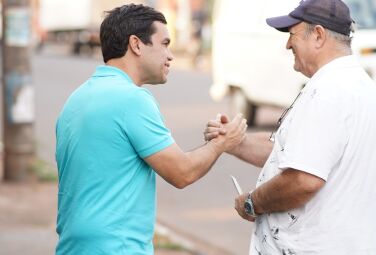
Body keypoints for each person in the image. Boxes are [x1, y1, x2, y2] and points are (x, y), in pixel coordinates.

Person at [205, 0, 376, 254]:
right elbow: (294, 152)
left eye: (291, 34)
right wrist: (234, 141)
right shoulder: (349, 82)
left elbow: (303, 179)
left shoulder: (331, 92)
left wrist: (252, 203)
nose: (287, 44)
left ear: (318, 35)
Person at [55, 4, 246, 255]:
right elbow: (182, 173)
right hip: (116, 248)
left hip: (73, 246)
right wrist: (222, 142)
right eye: (164, 43)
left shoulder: (76, 99)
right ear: (136, 44)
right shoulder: (132, 99)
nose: (170, 55)